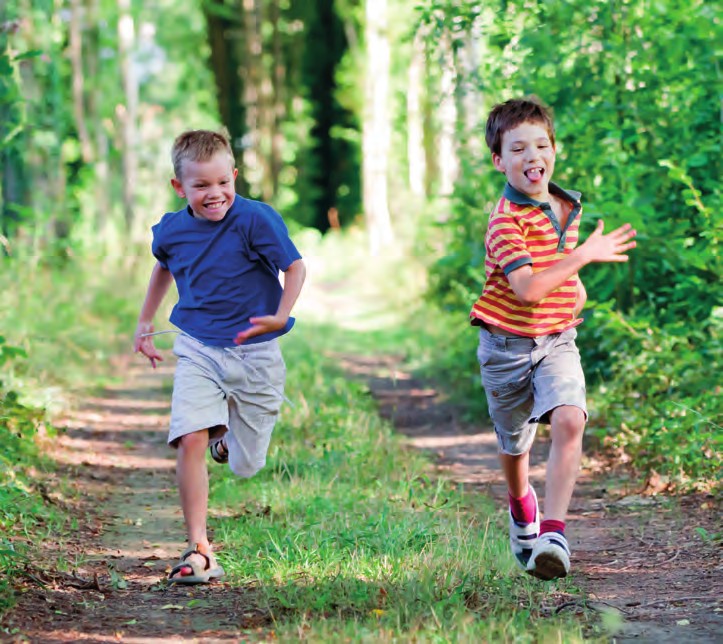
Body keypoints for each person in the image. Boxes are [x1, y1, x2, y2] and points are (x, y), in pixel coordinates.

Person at [470, 98, 637, 580]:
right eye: (517, 148)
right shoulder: (504, 220)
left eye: (541, 145)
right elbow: (526, 289)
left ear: (554, 150)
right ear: (499, 161)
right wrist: (583, 259)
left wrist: (575, 290)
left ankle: (555, 533)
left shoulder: (567, 207)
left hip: (557, 341)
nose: (532, 156)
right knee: (515, 446)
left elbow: (559, 270)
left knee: (569, 419)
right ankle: (522, 504)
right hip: (505, 349)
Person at [133, 130, 305, 584]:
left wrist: (280, 316)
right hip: (198, 346)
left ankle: (225, 440)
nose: (215, 194)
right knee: (189, 436)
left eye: (222, 183)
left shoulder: (256, 220)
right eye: (201, 186)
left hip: (256, 353)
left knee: (247, 466)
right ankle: (199, 548)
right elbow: (163, 266)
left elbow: (295, 267)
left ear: (234, 175)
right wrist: (145, 321)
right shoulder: (172, 229)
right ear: (179, 188)